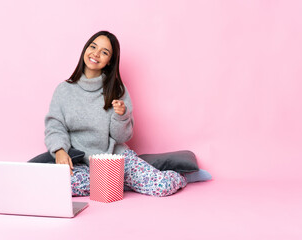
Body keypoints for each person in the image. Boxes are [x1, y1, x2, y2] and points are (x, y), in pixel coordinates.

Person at [29, 31, 201, 197]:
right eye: (93, 47)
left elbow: (121, 137)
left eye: (104, 52)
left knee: (161, 187)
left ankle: (183, 177)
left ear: (110, 61)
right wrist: (59, 150)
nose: (95, 54)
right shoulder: (64, 90)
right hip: (82, 163)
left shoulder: (117, 90)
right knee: (58, 185)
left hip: (114, 158)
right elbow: (55, 126)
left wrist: (122, 115)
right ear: (85, 49)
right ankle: (125, 184)